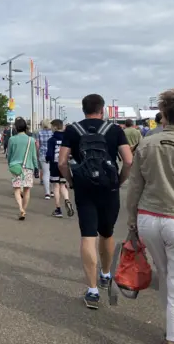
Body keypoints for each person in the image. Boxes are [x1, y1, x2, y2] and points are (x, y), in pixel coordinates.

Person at [126, 88, 174, 344]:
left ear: (164, 115)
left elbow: (134, 189)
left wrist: (131, 224)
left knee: (167, 277)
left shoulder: (146, 144)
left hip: (148, 219)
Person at [58, 94, 133, 310]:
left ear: (83, 110)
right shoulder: (115, 130)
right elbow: (128, 160)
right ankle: (106, 274)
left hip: (84, 188)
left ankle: (92, 292)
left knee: (88, 235)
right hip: (109, 188)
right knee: (107, 232)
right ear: (103, 110)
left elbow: (62, 162)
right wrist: (119, 181)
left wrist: (72, 182)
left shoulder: (73, 130)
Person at [6, 117, 39, 220]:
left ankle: (20, 208)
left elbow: (9, 154)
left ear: (16, 127)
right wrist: (36, 167)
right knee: (27, 190)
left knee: (16, 188)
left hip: (16, 167)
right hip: (28, 166)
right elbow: (34, 155)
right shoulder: (31, 140)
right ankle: (24, 209)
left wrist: (10, 164)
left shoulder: (12, 139)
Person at [45, 119, 74, 218]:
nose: (51, 128)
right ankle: (67, 200)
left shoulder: (51, 140)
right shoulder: (67, 139)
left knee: (56, 186)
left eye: (52, 127)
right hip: (64, 164)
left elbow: (49, 154)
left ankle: (58, 209)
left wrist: (47, 159)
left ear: (55, 127)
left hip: (54, 165)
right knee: (63, 185)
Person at [36, 119, 54, 199]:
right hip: (53, 155)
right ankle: (53, 190)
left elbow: (37, 145)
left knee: (46, 173)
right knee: (53, 173)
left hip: (43, 154)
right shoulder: (53, 133)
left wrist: (37, 154)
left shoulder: (39, 133)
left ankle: (47, 193)